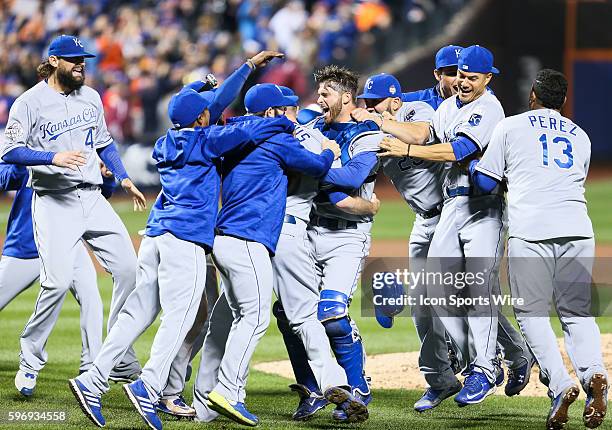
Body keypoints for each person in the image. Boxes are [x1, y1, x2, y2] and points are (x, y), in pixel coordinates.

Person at [69, 53, 287, 430]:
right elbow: (250, 130)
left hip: (155, 235)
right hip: (183, 240)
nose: (212, 111)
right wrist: (281, 121)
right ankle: (149, 387)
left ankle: (93, 379)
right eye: (206, 110)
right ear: (201, 118)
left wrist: (247, 67)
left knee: (137, 313)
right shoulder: (206, 140)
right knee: (180, 318)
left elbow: (199, 105)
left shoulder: (168, 140)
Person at [194, 83, 368, 427]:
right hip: (274, 233)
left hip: (226, 234)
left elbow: (211, 119)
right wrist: (333, 150)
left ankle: (204, 404)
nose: (293, 111)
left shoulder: (232, 135)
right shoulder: (295, 136)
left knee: (226, 320)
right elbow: (332, 173)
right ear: (274, 112)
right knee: (297, 315)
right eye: (287, 107)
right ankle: (333, 382)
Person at [0, 34, 146, 395]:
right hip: (53, 201)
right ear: (53, 62)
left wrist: (123, 177)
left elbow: (105, 142)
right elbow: (10, 151)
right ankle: (30, 360)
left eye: (84, 59)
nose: (81, 64)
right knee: (58, 281)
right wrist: (52, 157)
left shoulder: (91, 97)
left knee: (130, 270)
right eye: (73, 59)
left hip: (93, 198)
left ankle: (117, 352)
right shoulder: (29, 103)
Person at [471, 69, 608, 430]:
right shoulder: (581, 136)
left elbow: (486, 184)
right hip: (578, 230)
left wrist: (473, 166)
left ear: (533, 93)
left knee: (532, 316)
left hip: (532, 232)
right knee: (577, 314)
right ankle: (594, 372)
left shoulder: (511, 126)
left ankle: (561, 386)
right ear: (562, 100)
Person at [378, 45, 510, 406]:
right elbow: (424, 132)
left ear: (487, 78)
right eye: (461, 76)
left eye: (471, 77)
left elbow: (458, 150)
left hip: (483, 206)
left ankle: (485, 366)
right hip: (453, 204)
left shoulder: (489, 107)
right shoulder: (450, 106)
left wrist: (405, 151)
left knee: (479, 287)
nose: (464, 83)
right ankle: (482, 363)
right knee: (436, 289)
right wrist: (383, 123)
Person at [350, 72, 463, 411]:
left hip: (452, 215)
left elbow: (420, 134)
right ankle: (440, 379)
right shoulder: (371, 129)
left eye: (377, 103)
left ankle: (509, 354)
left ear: (395, 102)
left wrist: (379, 122)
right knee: (423, 305)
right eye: (366, 103)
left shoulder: (415, 112)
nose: (370, 108)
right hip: (423, 221)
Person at [271, 85, 377, 422]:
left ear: (346, 97)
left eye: (326, 94)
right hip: (308, 231)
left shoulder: (366, 131)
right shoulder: (312, 126)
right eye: (317, 94)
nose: (319, 100)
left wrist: (313, 168)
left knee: (330, 312)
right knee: (288, 312)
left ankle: (357, 388)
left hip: (347, 237)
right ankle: (312, 389)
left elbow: (352, 176)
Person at [0, 163, 113, 394]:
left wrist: (106, 178)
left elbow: (99, 196)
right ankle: (31, 360)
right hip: (25, 246)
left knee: (91, 296)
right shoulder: (30, 143)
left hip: (68, 240)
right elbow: (4, 178)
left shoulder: (75, 141)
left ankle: (91, 370)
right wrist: (25, 164)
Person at [402, 45, 464, 110]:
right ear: (438, 75)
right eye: (452, 74)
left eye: (463, 73)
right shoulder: (419, 102)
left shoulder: (475, 103)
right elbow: (391, 99)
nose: (459, 80)